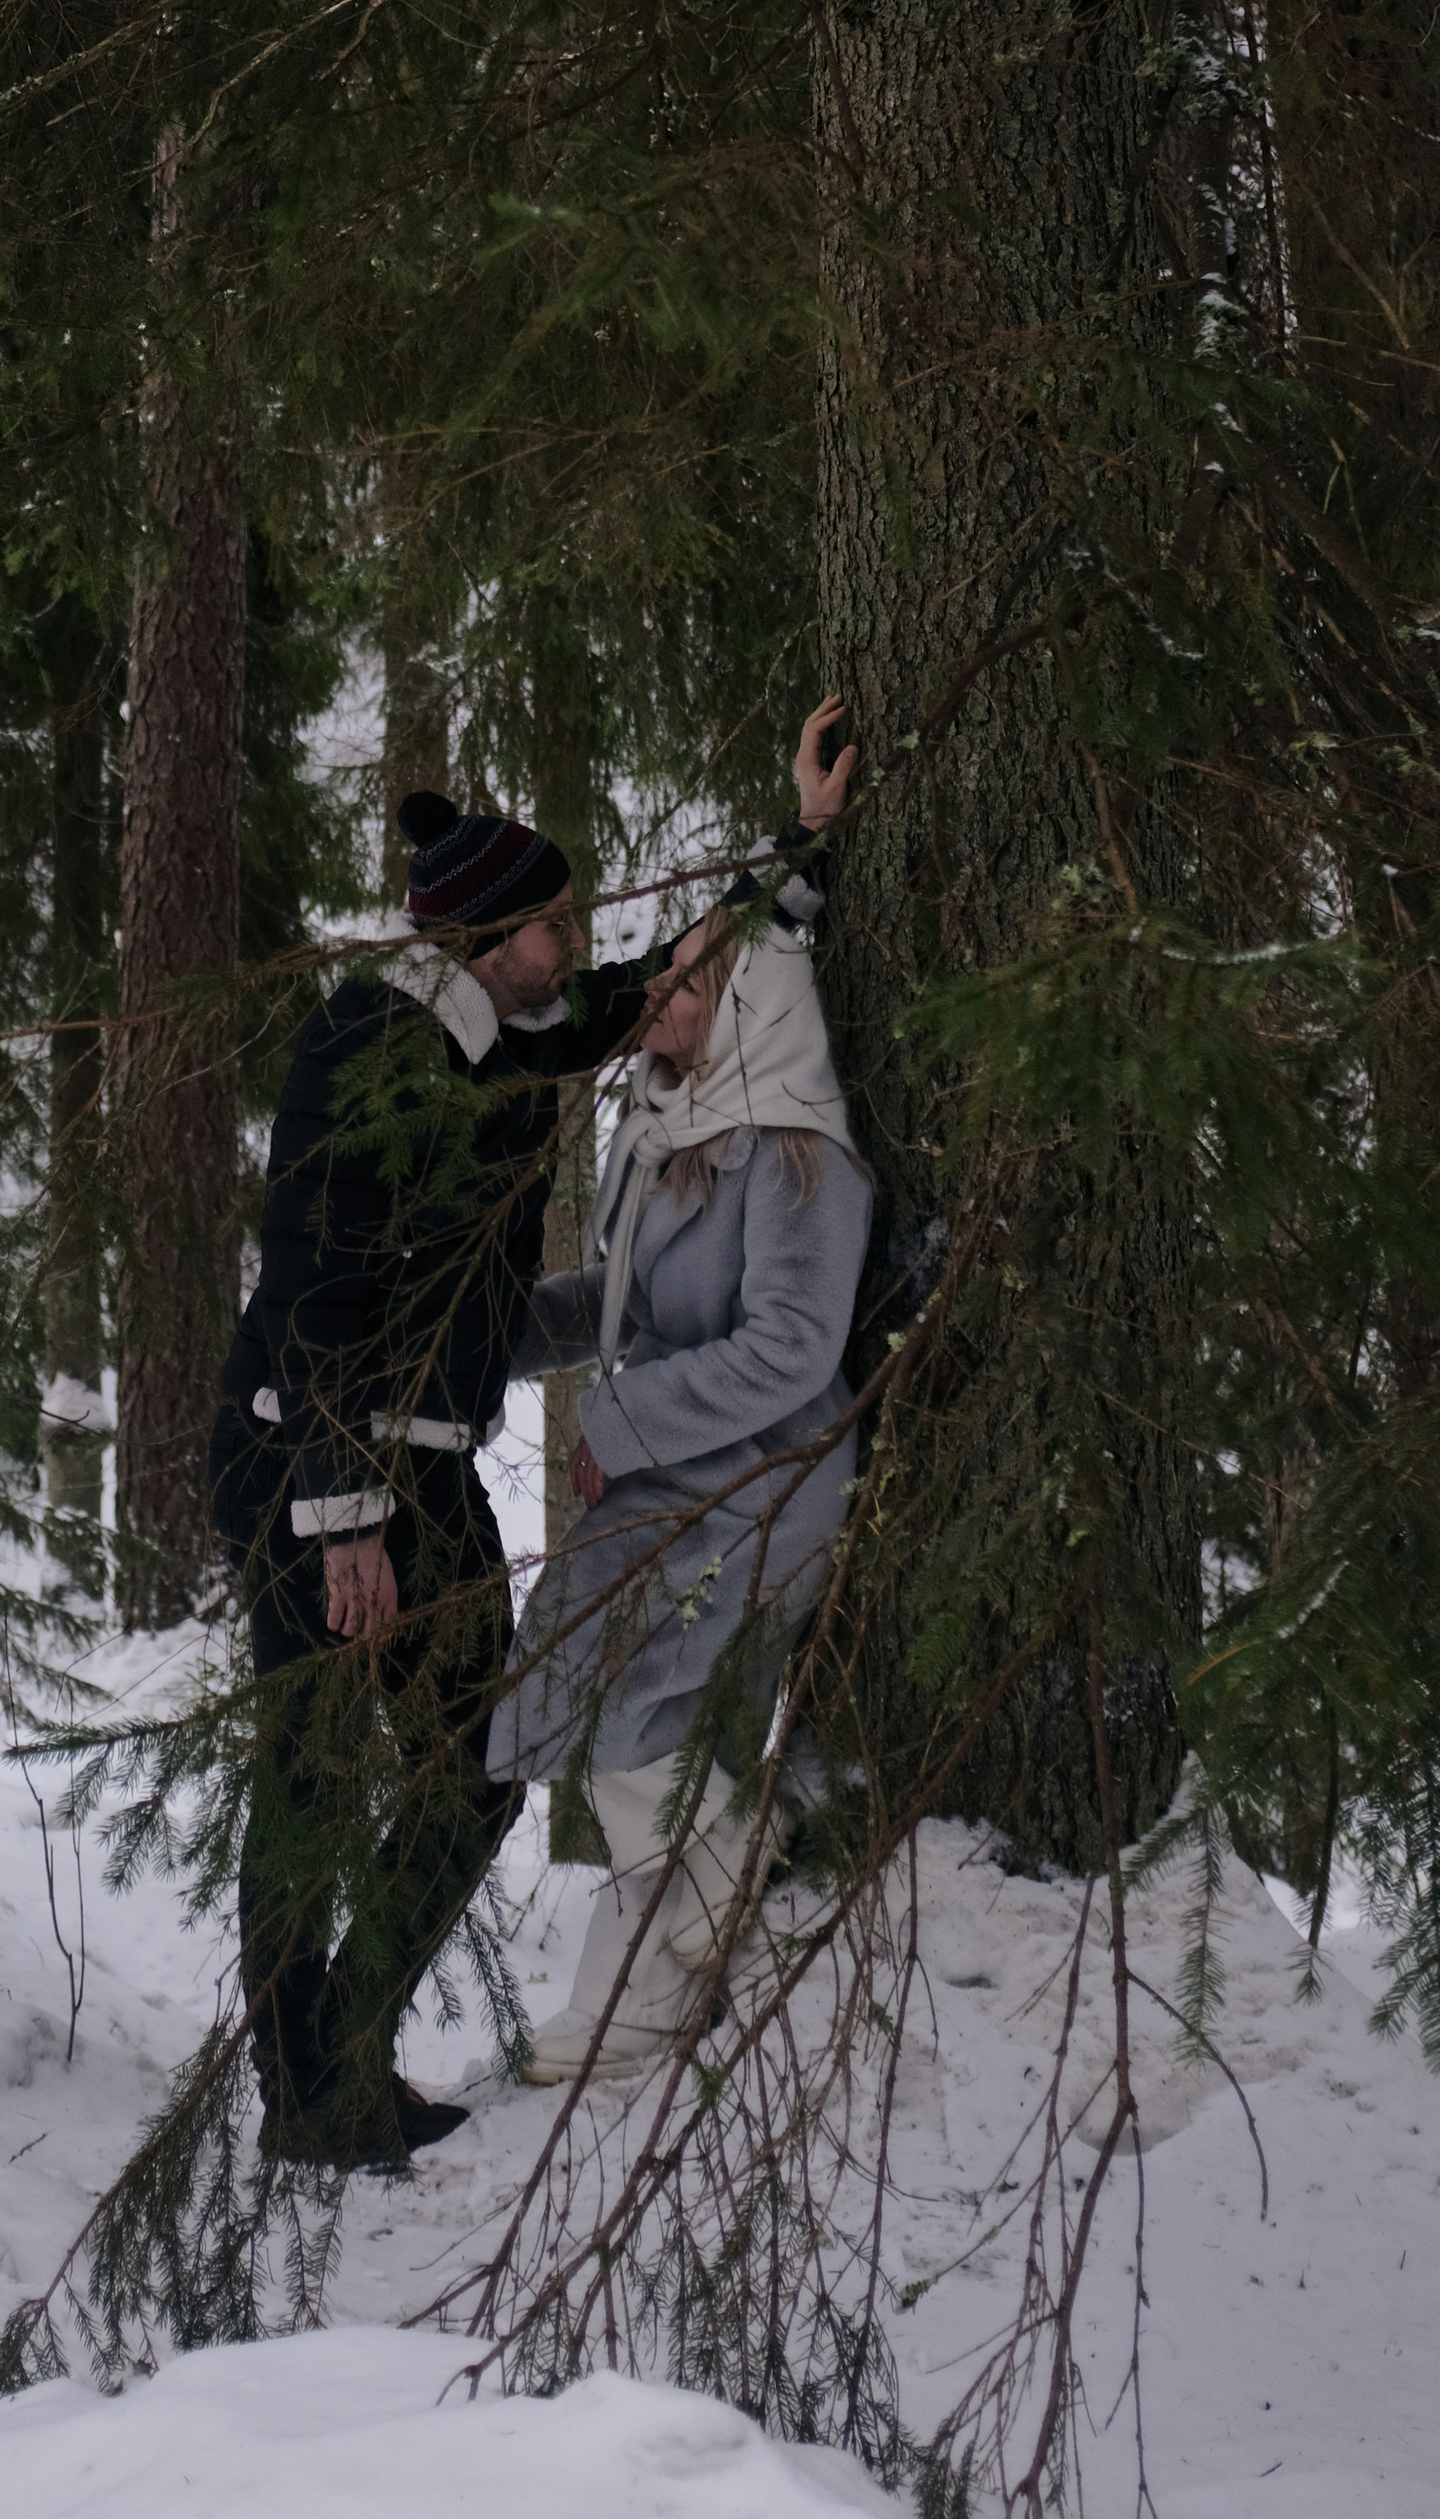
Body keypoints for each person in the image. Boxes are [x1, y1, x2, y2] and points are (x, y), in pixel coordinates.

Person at [207, 702, 856, 2172]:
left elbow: (658, 986)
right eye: (554, 919)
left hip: (418, 1460)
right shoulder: (365, 1047)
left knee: (482, 1756)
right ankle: (309, 2094)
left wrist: (798, 852)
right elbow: (312, 1286)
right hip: (307, 1458)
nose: (575, 936)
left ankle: (338, 2055)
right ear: (492, 937)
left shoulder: (515, 1027)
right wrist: (345, 1516)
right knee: (312, 1773)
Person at [488, 890, 871, 2084]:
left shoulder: (799, 1151)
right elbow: (630, 1305)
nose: (657, 1001)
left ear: (751, 1008)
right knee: (634, 1709)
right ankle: (651, 1974)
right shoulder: (674, 1134)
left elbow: (794, 1347)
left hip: (769, 1471)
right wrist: (482, 1335)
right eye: (661, 982)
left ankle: (665, 1960)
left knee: (624, 1705)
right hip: (681, 1470)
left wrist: (620, 1414)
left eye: (688, 990)